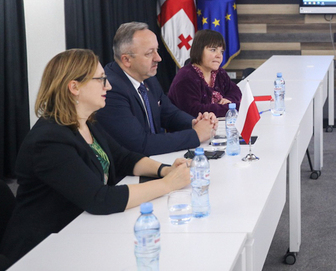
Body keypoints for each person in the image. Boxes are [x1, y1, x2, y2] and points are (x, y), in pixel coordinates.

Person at [0, 49, 191, 264]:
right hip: (43, 251)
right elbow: (100, 199)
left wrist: (165, 170)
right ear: (74, 87)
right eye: (101, 80)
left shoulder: (87, 123)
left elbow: (125, 159)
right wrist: (167, 184)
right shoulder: (49, 141)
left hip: (81, 233)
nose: (108, 86)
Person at [95, 22, 216, 156]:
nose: (158, 58)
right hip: (129, 173)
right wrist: (196, 135)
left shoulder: (148, 78)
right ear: (126, 60)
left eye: (157, 50)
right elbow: (141, 144)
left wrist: (195, 123)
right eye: (149, 53)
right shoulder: (111, 90)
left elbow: (169, 114)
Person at [168, 29, 242, 117]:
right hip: (191, 129)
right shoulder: (186, 77)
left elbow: (235, 90)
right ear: (199, 50)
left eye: (221, 51)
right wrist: (231, 108)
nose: (219, 56)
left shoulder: (219, 73)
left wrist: (229, 99)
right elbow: (195, 111)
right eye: (213, 50)